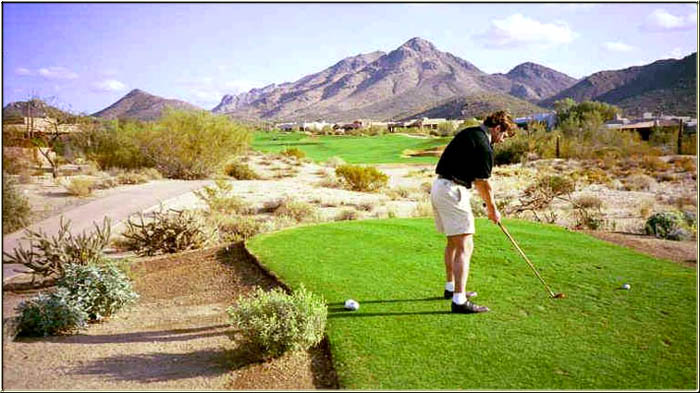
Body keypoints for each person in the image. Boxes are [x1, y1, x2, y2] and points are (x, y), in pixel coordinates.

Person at [430, 110, 516, 314]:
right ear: (497, 129)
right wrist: (493, 210)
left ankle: (451, 288)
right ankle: (459, 301)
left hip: (439, 187)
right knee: (465, 245)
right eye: (503, 135)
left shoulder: (470, 133)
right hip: (453, 191)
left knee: (453, 241)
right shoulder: (484, 146)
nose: (503, 140)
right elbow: (483, 184)